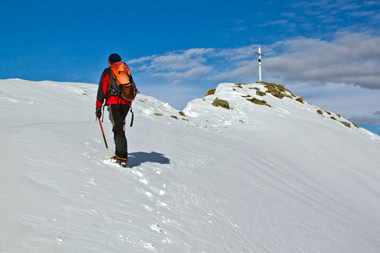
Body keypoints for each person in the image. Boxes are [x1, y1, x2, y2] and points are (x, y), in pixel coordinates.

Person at [95, 53, 132, 165]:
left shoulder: (108, 72)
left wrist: (98, 106)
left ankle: (122, 158)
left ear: (110, 62)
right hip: (126, 103)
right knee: (119, 127)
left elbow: (102, 89)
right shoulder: (126, 71)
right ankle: (119, 154)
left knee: (118, 128)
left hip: (114, 102)